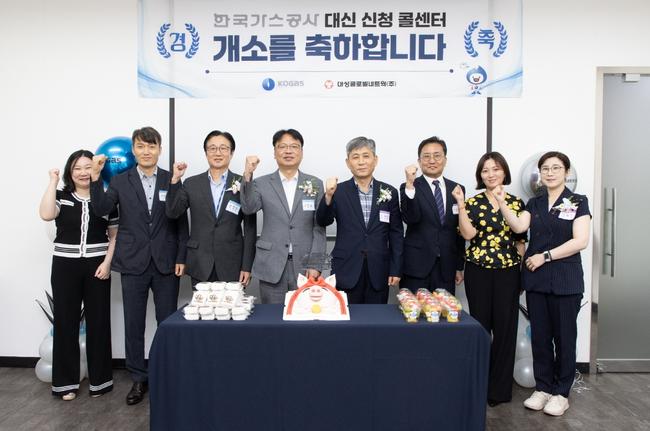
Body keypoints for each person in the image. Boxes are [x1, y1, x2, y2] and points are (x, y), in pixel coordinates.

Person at [89, 127, 188, 405]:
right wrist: (95, 177)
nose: (146, 151)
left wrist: (181, 257)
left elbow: (180, 221)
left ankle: (167, 373)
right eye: (141, 146)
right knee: (133, 324)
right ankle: (138, 378)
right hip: (133, 261)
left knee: (167, 322)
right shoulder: (121, 180)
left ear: (159, 149)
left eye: (151, 146)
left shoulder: (172, 178)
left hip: (166, 262)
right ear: (133, 150)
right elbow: (101, 209)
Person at [496, 151, 591, 416]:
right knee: (539, 337)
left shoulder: (578, 201)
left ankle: (561, 393)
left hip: (565, 280)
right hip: (537, 280)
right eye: (545, 168)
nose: (550, 172)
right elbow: (518, 226)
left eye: (556, 168)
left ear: (566, 172)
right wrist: (502, 203)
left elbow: (580, 241)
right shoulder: (534, 203)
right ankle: (543, 388)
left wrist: (545, 256)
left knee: (564, 338)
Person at [39, 150, 117, 401]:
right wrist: (52, 181)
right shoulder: (62, 197)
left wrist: (107, 263)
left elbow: (115, 236)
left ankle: (100, 382)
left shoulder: (106, 199)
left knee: (99, 322)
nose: (83, 172)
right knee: (65, 322)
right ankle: (66, 385)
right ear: (69, 172)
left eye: (88, 167)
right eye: (77, 168)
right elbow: (46, 214)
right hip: (65, 266)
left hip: (97, 266)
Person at [452, 151, 526, 407]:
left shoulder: (516, 203)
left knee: (506, 329)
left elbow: (520, 241)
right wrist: (461, 205)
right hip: (478, 271)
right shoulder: (472, 203)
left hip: (508, 272)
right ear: (480, 175)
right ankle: (479, 384)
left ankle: (499, 390)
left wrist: (520, 275)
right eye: (485, 170)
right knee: (481, 327)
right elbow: (468, 234)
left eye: (495, 169)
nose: (491, 174)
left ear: (504, 172)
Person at [240, 129, 326, 304]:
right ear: (274, 152)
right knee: (272, 317)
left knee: (304, 314)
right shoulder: (261, 183)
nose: (288, 151)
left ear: (301, 152)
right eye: (283, 146)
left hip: (305, 265)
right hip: (271, 264)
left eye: (294, 146)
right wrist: (247, 174)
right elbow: (248, 208)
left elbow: (319, 227)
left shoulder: (315, 183)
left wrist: (316, 264)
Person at [316, 137, 403, 304]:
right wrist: (328, 196)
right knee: (345, 316)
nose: (361, 162)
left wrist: (396, 268)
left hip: (379, 269)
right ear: (348, 163)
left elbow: (396, 234)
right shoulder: (338, 191)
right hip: (346, 268)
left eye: (366, 156)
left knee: (376, 317)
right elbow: (323, 220)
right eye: (355, 157)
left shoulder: (389, 192)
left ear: (375, 160)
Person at [166, 130, 256, 288]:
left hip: (232, 263)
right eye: (212, 148)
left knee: (232, 304)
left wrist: (247, 266)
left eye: (223, 148)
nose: (218, 153)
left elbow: (250, 228)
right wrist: (175, 180)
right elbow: (173, 212)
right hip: (200, 262)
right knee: (202, 305)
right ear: (206, 153)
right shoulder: (191, 183)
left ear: (231, 153)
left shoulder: (243, 182)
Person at [400, 136, 465, 295]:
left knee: (445, 310)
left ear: (445, 159)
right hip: (416, 267)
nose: (432, 160)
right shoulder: (409, 187)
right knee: (413, 309)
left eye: (437, 156)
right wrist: (410, 185)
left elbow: (459, 230)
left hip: (446, 267)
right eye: (426, 156)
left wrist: (459, 266)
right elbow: (410, 218)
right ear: (419, 161)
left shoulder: (457, 189)